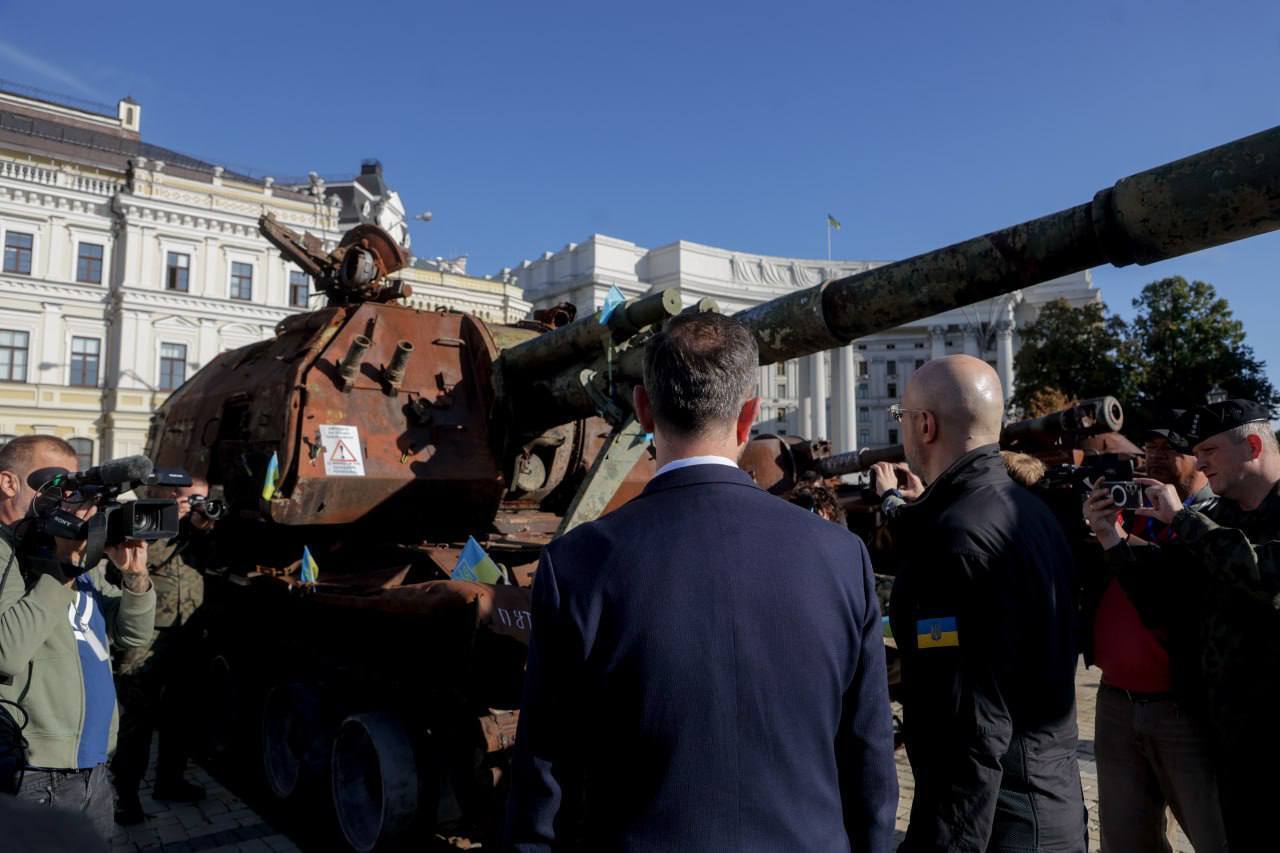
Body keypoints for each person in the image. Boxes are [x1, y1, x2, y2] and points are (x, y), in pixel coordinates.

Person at [505, 312, 897, 852]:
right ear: (750, 416)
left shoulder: (576, 564)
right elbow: (870, 763)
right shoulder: (840, 557)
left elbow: (543, 783)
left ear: (643, 408)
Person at [871, 355, 1085, 853]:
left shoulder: (954, 539)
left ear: (925, 424)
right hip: (1051, 802)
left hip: (999, 821)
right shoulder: (1030, 512)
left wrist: (943, 843)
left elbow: (967, 723)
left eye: (901, 418)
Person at [1085, 398, 1280, 850]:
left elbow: (1267, 579)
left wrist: (1185, 520)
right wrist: (1111, 539)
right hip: (1226, 736)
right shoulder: (1222, 518)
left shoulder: (1207, 521)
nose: (1201, 462)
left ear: (1253, 444)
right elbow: (1167, 599)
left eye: (1209, 451)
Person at [1083, 412, 1227, 852]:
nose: (1155, 458)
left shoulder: (1219, 520)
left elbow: (1174, 598)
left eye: (1170, 449)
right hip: (1117, 701)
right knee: (1127, 840)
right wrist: (1102, 528)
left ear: (1200, 459)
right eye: (1150, 449)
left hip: (1183, 708)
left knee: (1214, 833)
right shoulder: (1132, 508)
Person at [0, 435, 155, 843]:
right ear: (8, 483)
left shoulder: (72, 550)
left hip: (95, 764)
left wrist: (136, 577)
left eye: (71, 488)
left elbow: (132, 640)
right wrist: (64, 569)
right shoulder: (8, 554)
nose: (65, 498)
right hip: (34, 769)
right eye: (52, 484)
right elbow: (6, 655)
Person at [111, 477, 214, 825]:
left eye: (204, 498)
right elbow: (130, 564)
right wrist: (177, 525)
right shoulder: (149, 520)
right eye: (193, 498)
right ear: (175, 496)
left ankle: (170, 781)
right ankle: (124, 797)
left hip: (187, 633)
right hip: (147, 632)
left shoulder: (203, 527)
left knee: (181, 714)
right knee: (136, 721)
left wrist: (202, 527)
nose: (201, 503)